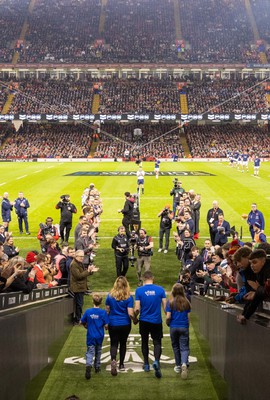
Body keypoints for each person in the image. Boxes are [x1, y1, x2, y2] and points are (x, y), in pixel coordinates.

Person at [134, 271, 167, 378]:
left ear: (143, 279)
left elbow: (137, 308)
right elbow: (165, 307)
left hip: (144, 320)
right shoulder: (160, 290)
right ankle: (156, 361)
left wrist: (134, 317)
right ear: (153, 278)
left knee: (144, 341)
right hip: (156, 320)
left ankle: (147, 364)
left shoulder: (139, 290)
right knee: (157, 342)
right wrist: (168, 317)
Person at [105, 276, 137, 375]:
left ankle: (113, 360)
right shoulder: (129, 297)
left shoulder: (110, 296)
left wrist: (106, 323)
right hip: (125, 324)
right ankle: (122, 364)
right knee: (123, 343)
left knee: (113, 343)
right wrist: (135, 320)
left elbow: (107, 311)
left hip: (113, 323)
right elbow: (130, 313)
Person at [237, 249, 270, 324]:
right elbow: (257, 295)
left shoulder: (267, 271)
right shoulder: (260, 272)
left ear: (263, 261)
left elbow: (265, 291)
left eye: (254, 262)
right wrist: (245, 315)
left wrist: (258, 289)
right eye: (250, 263)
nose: (252, 266)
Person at [81, 293, 109, 379]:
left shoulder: (88, 311)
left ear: (92, 301)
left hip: (90, 335)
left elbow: (82, 321)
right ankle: (97, 367)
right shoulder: (103, 313)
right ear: (101, 302)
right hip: (99, 335)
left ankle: (88, 364)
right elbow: (106, 325)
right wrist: (105, 327)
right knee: (98, 351)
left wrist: (86, 326)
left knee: (90, 351)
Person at [166, 283, 191, 379]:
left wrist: (168, 323)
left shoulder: (170, 302)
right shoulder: (186, 302)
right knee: (184, 347)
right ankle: (184, 363)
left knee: (175, 346)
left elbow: (168, 316)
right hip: (184, 327)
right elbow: (188, 318)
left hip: (174, 327)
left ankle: (177, 365)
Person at [70, 250, 99, 325]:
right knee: (79, 304)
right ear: (76, 256)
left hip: (80, 287)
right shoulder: (74, 264)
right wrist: (88, 271)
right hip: (77, 287)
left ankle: (79, 318)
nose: (82, 258)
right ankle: (78, 319)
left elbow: (83, 274)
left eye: (83, 256)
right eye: (80, 256)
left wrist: (90, 271)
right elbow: (79, 276)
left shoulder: (79, 263)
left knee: (80, 304)